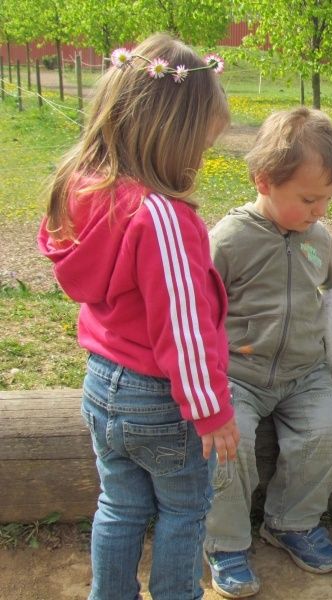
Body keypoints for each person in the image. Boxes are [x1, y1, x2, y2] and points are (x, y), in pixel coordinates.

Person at [37, 33, 240, 600]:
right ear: (171, 137)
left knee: (119, 506)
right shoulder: (162, 218)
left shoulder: (84, 191)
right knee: (184, 510)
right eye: (200, 144)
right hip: (161, 400)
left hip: (102, 385)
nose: (200, 159)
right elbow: (184, 327)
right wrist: (212, 410)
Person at [203, 107, 332, 598]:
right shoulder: (229, 239)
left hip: (304, 371)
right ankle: (224, 541)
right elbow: (196, 307)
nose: (320, 211)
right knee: (229, 445)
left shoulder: (317, 237)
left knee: (329, 431)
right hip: (238, 371)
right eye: (310, 199)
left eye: (328, 199)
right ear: (264, 180)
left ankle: (291, 521)